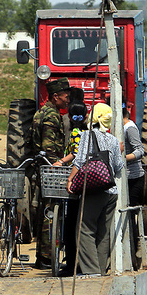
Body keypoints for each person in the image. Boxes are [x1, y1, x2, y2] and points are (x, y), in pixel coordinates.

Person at [66, 103, 124, 275]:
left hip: (94, 190)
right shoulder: (113, 140)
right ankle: (100, 269)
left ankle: (91, 271)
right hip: (110, 191)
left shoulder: (87, 136)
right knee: (103, 232)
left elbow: (80, 160)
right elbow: (118, 167)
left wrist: (70, 179)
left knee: (85, 229)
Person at [31, 77, 71, 269]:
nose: (67, 100)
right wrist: (57, 163)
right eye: (65, 96)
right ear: (56, 97)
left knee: (43, 211)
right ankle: (47, 257)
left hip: (41, 166)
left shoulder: (41, 111)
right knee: (50, 211)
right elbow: (48, 145)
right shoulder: (52, 115)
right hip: (50, 167)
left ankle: (42, 256)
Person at [53, 101, 88, 274]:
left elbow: (76, 154)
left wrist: (60, 162)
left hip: (76, 181)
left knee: (70, 224)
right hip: (86, 181)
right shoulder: (87, 132)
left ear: (69, 117)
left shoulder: (75, 133)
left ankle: (72, 263)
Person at [123, 104, 145, 269]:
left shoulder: (130, 128)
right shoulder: (116, 127)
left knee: (131, 215)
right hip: (123, 178)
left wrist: (124, 158)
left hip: (134, 177)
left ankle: (135, 251)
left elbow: (139, 150)